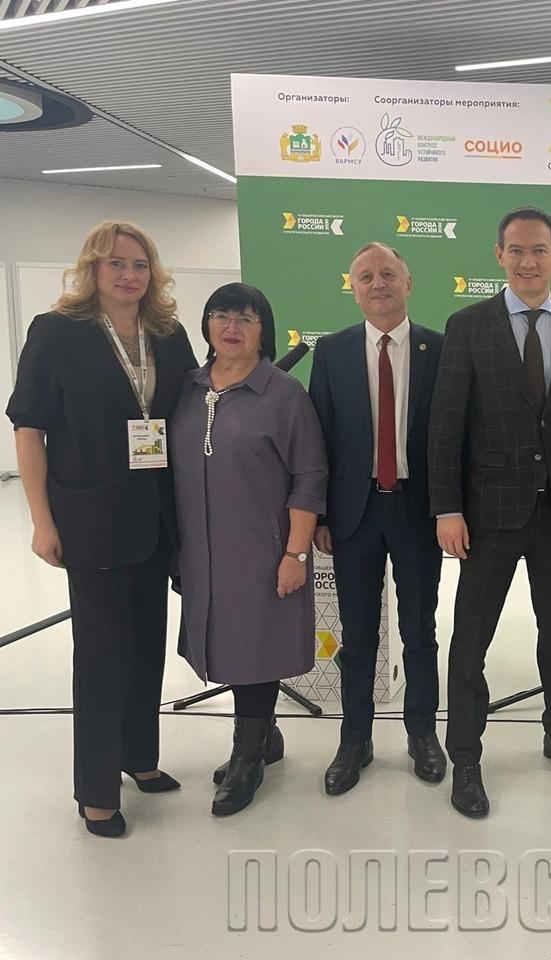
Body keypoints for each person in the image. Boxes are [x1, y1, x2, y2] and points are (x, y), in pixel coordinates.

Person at [6, 220, 197, 837]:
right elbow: (29, 429)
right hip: (91, 517)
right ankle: (95, 790)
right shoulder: (57, 332)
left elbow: (192, 411)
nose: (128, 275)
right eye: (116, 263)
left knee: (146, 644)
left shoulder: (167, 333)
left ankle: (139, 757)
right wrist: (41, 520)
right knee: (100, 654)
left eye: (140, 265)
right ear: (92, 268)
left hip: (157, 515)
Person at [428, 207, 551, 818]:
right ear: (499, 256)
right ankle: (465, 757)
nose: (529, 261)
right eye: (517, 251)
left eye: (539, 250)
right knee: (470, 640)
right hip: (486, 514)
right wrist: (446, 508)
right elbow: (446, 424)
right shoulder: (467, 325)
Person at [170, 283, 326, 815]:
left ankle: (246, 759)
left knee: (256, 647)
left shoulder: (284, 395)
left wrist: (296, 554)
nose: (231, 327)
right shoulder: (187, 388)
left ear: (265, 331)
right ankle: (267, 735)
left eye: (245, 318)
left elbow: (309, 477)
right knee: (222, 642)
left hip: (262, 549)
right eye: (220, 315)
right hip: (200, 549)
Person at [309, 242, 445, 796]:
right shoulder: (332, 350)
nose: (378, 283)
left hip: (418, 509)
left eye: (388, 273)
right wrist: (319, 515)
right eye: (365, 276)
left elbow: (455, 437)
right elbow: (319, 437)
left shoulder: (441, 348)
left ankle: (422, 735)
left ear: (408, 283)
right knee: (358, 634)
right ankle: (354, 740)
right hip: (353, 512)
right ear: (354, 289)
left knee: (420, 632)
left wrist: (452, 510)